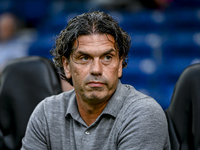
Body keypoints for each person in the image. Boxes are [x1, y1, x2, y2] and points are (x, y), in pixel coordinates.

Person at [21, 11, 170, 149]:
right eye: (84, 58)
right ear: (67, 66)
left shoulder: (143, 113)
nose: (96, 69)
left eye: (107, 58)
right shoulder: (46, 112)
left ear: (119, 65)